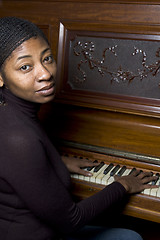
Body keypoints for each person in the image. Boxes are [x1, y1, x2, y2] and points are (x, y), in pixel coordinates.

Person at [0, 17, 158, 240]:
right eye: (25, 67)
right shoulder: (16, 136)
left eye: (47, 58)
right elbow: (70, 220)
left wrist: (56, 162)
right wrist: (122, 184)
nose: (45, 73)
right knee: (131, 237)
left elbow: (16, 166)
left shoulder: (12, 111)